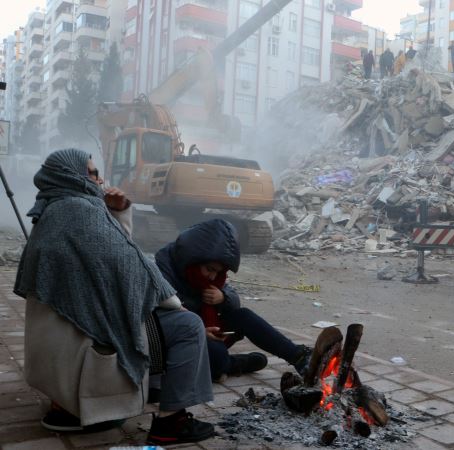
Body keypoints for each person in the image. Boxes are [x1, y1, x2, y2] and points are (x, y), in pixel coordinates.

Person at [15, 149, 215, 445]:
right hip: (85, 347)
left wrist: (118, 211)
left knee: (162, 324)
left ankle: (141, 393)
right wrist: (176, 304)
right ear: (75, 176)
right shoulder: (80, 211)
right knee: (187, 326)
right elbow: (131, 267)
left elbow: (113, 255)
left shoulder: (55, 207)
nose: (101, 179)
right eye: (94, 173)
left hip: (63, 350)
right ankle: (171, 422)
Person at [155, 219, 312, 382]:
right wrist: (199, 330)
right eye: (210, 269)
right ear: (193, 258)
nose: (213, 276)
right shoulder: (162, 270)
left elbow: (233, 299)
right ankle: (233, 364)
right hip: (180, 337)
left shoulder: (212, 277)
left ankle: (299, 357)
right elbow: (162, 318)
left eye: (218, 272)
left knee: (244, 316)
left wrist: (223, 298)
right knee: (216, 357)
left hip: (210, 332)